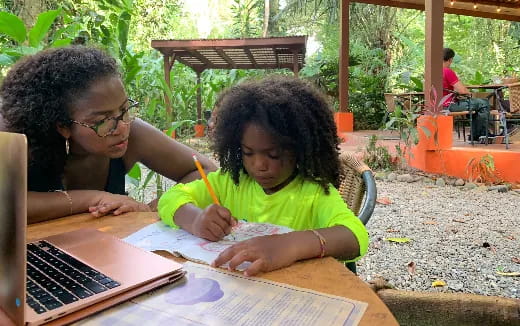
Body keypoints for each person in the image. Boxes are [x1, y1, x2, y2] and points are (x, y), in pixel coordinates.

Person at [158, 76, 369, 277]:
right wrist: (195, 219)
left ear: (299, 149)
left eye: (273, 154)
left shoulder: (312, 194)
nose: (259, 165)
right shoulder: (230, 182)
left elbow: (355, 236)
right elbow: (170, 198)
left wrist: (289, 245)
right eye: (248, 153)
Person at [0, 46, 216, 224]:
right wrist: (94, 198)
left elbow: (206, 172)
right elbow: (5, 205)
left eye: (124, 109)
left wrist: (160, 206)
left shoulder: (134, 134)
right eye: (101, 121)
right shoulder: (20, 140)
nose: (121, 126)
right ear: (62, 126)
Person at [443, 48, 491, 141]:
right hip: (448, 106)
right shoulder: (447, 71)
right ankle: (480, 134)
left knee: (474, 105)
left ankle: (477, 134)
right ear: (450, 59)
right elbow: (462, 90)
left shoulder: (432, 71)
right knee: (483, 103)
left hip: (435, 105)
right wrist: (468, 92)